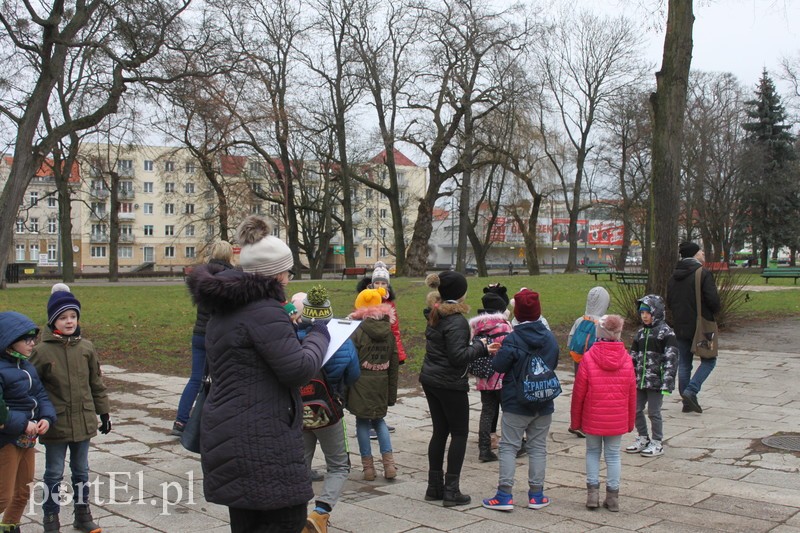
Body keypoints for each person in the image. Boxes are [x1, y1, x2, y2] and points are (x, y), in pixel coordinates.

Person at [187, 215, 330, 533]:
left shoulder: (227, 307)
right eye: (287, 271)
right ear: (275, 274)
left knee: (246, 523)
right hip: (263, 441)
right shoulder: (265, 311)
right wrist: (321, 333)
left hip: (231, 435)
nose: (289, 278)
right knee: (286, 521)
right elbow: (298, 370)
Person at [31, 288, 110, 533]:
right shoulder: (41, 351)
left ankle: (83, 515)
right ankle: (50, 518)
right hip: (56, 422)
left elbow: (95, 382)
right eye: (63, 317)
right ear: (53, 320)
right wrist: (36, 415)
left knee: (81, 470)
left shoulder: (86, 347)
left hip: (83, 420)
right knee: (54, 472)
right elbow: (31, 386)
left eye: (73, 317)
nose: (69, 322)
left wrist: (104, 412)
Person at [481, 289, 558, 512]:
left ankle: (504, 495)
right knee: (538, 447)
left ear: (517, 313)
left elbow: (499, 366)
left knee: (508, 447)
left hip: (516, 402)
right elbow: (552, 362)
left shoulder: (513, 339)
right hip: (543, 401)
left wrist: (496, 354)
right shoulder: (549, 338)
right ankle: (537, 495)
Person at [420, 271, 490, 507]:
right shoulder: (457, 321)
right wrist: (481, 347)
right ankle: (451, 491)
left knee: (440, 431)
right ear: (460, 293)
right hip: (449, 383)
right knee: (459, 433)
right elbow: (458, 357)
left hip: (431, 379)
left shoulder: (435, 313)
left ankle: (434, 487)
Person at [294, 289, 360, 533]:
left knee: (300, 463)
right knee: (339, 465)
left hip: (298, 410)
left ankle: (296, 514)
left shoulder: (290, 339)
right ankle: (320, 513)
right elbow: (353, 375)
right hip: (329, 411)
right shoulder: (343, 342)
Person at [570, 315, 636, 512]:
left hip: (592, 416)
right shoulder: (627, 359)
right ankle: (613, 497)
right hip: (617, 418)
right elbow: (632, 393)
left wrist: (575, 421)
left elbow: (578, 392)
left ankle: (592, 495)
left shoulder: (589, 357)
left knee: (592, 452)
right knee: (613, 455)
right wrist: (630, 421)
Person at [172, 241, 235, 436]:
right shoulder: (231, 277)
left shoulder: (202, 276)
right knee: (222, 380)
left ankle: (181, 421)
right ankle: (214, 423)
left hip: (199, 333)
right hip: (218, 335)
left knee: (196, 379)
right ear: (230, 255)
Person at [0, 312, 56, 533]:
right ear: (9, 340)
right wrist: (23, 423)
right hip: (6, 440)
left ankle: (9, 526)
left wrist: (46, 417)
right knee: (3, 496)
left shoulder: (26, 366)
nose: (32, 343)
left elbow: (40, 395)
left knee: (23, 491)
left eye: (34, 338)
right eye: (27, 339)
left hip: (27, 439)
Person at [346, 287, 399, 482]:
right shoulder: (388, 332)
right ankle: (389, 465)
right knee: (379, 420)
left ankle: (368, 468)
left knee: (362, 422)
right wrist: (391, 393)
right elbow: (394, 364)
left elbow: (349, 360)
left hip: (360, 383)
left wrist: (346, 388)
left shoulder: (357, 331)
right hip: (382, 381)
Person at [667, 241, 721, 414]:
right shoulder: (703, 273)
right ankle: (691, 391)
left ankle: (687, 402)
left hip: (680, 325)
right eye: (700, 251)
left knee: (684, 363)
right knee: (709, 360)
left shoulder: (674, 276)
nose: (703, 253)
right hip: (703, 326)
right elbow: (713, 301)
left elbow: (670, 302)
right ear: (694, 254)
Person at [625, 295, 679, 457]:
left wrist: (667, 382)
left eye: (647, 313)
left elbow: (671, 359)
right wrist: (629, 377)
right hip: (639, 380)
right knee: (635, 409)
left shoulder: (666, 333)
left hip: (656, 382)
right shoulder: (640, 333)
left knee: (654, 412)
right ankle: (643, 437)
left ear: (656, 312)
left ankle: (657, 442)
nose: (644, 316)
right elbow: (632, 357)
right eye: (642, 313)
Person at [468, 285, 513, 463]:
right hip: (502, 377)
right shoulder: (504, 326)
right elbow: (511, 351)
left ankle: (484, 448)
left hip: (484, 376)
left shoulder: (476, 327)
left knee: (487, 411)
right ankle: (515, 445)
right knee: (509, 411)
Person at [566, 286, 610, 438]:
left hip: (579, 360)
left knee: (579, 391)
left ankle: (575, 422)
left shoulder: (580, 320)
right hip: (595, 363)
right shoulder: (604, 323)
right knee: (592, 393)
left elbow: (570, 340)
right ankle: (587, 423)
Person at [356, 261, 407, 365]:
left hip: (383, 345)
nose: (380, 286)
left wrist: (399, 354)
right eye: (377, 283)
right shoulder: (365, 299)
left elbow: (394, 329)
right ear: (372, 284)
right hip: (366, 344)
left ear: (387, 286)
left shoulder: (389, 305)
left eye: (383, 283)